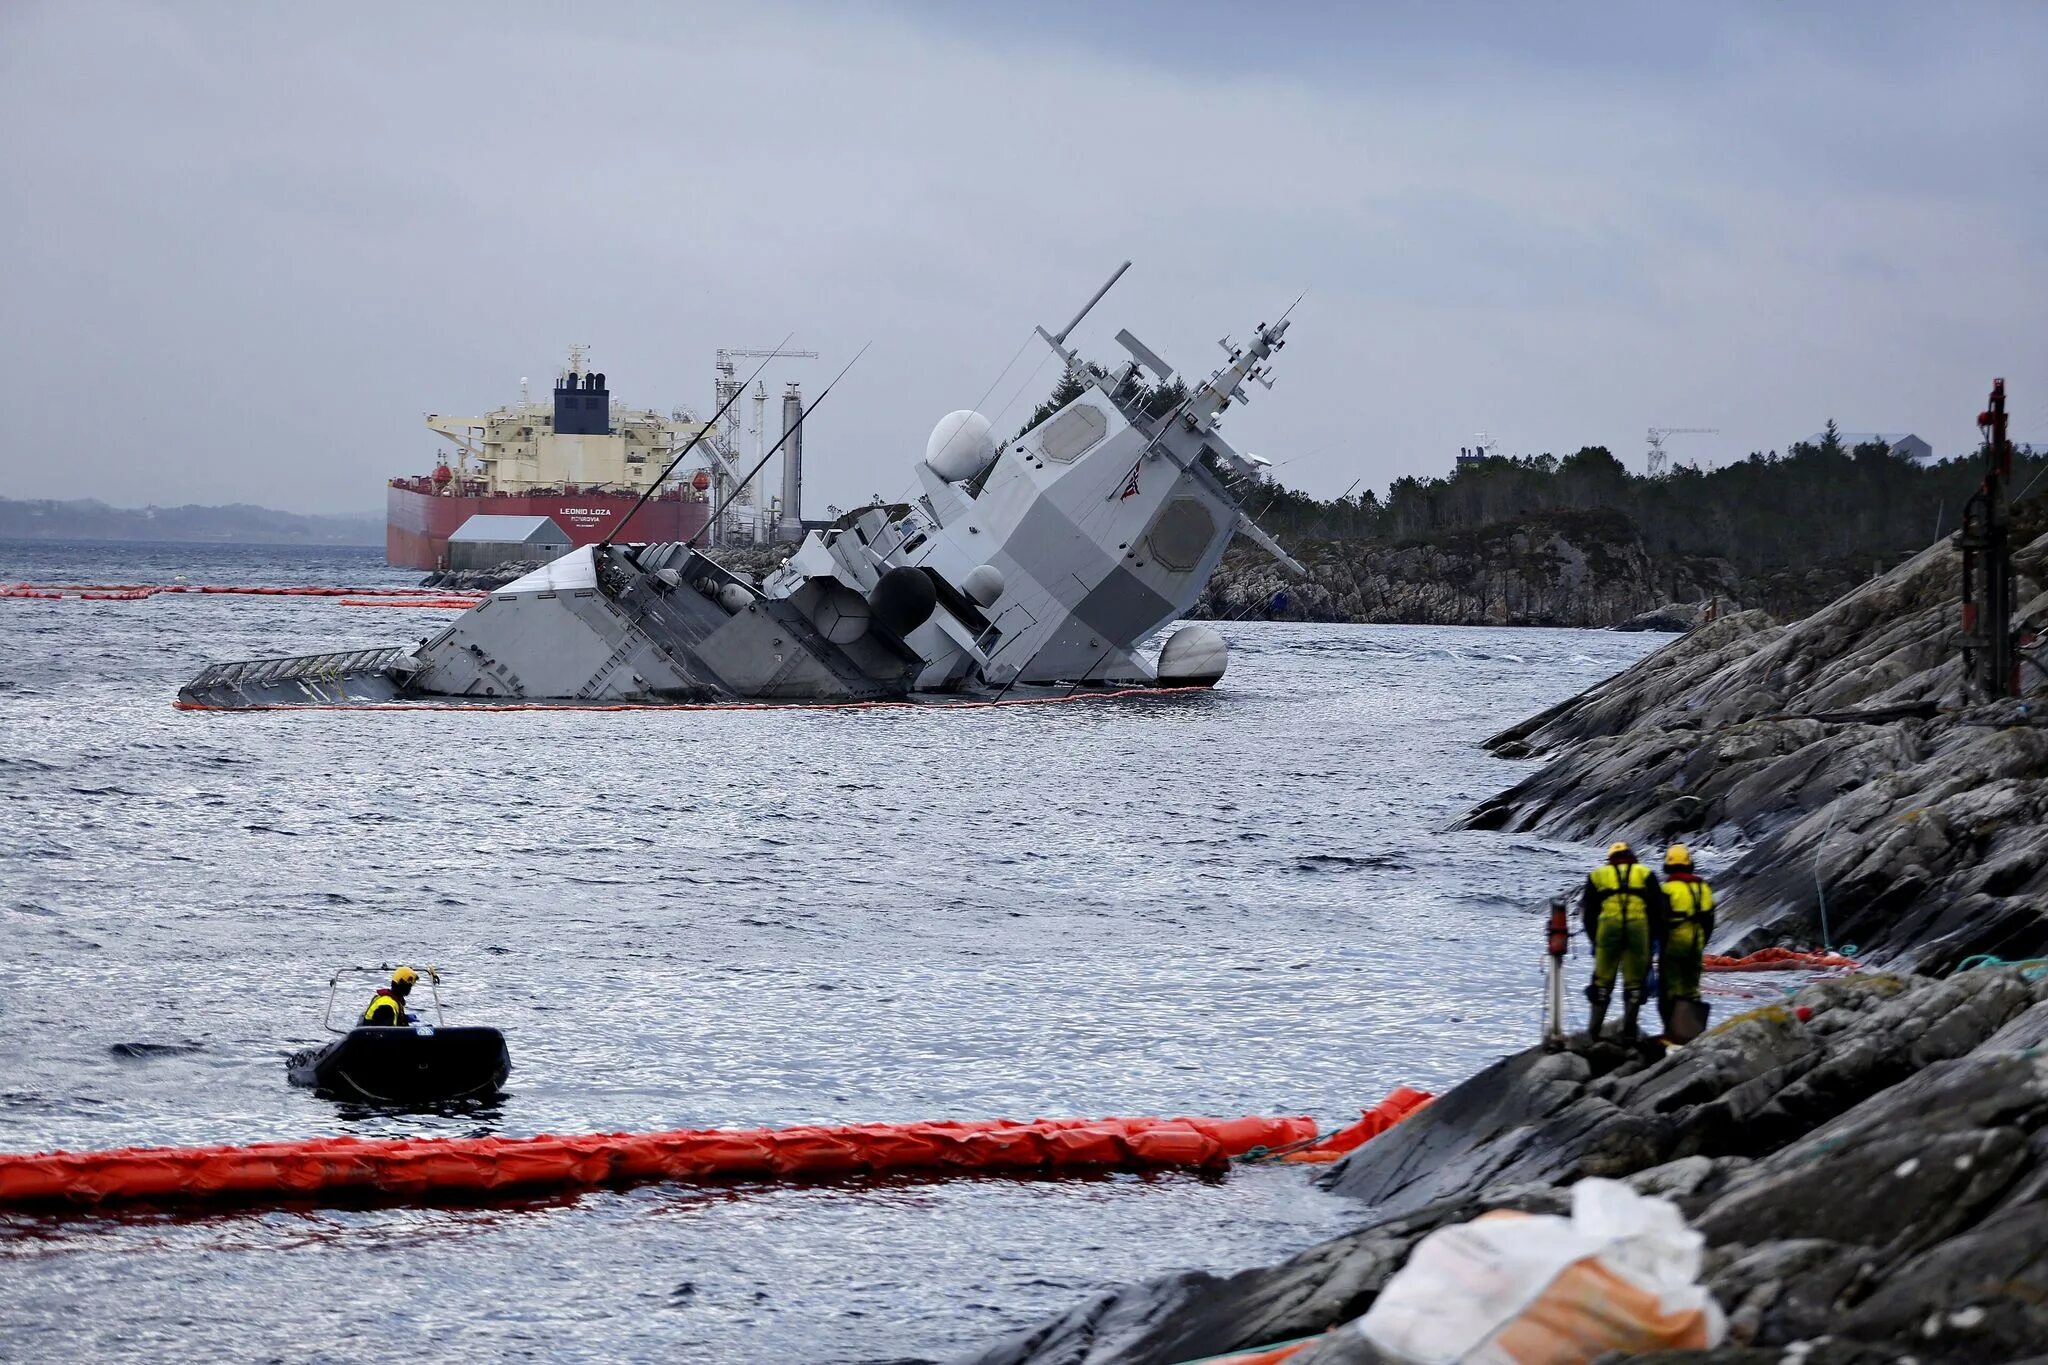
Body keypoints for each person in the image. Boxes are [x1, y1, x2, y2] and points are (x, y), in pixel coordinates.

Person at [1581, 842, 1665, 1042]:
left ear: (1610, 859)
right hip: (1637, 931)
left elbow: (1588, 914)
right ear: (1632, 856)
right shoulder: (1646, 874)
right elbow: (1658, 911)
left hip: (1608, 930)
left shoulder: (1597, 876)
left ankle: (1593, 1032)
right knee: (1635, 983)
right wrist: (1652, 940)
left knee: (1602, 981)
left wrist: (1596, 939)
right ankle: (1629, 1030)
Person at [1658, 846, 1715, 1034]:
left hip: (1674, 946)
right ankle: (1693, 1031)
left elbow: (1660, 922)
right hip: (1696, 945)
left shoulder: (1666, 889)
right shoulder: (1702, 887)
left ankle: (1673, 1032)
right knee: (1692, 990)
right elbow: (1709, 919)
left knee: (1670, 990)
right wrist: (1701, 943)